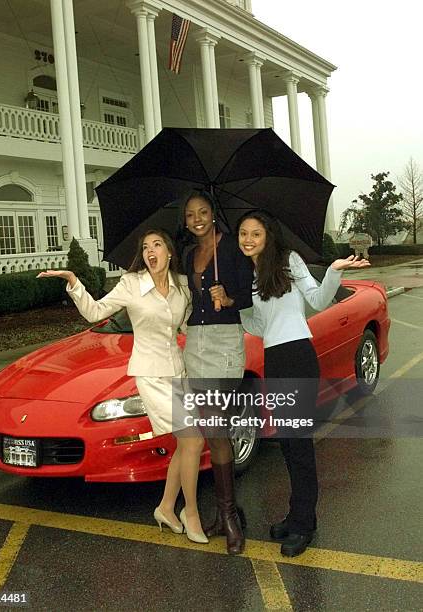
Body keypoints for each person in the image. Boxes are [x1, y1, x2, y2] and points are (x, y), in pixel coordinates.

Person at [37, 229, 208, 544]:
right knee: (193, 442)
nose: (150, 251)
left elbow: (186, 326)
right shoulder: (131, 284)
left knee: (186, 445)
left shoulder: (182, 286)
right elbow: (95, 312)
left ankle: (167, 508)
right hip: (149, 374)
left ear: (169, 252)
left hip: (178, 370)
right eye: (145, 247)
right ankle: (191, 513)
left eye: (157, 244)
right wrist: (74, 281)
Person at [237, 210, 370, 557]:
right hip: (275, 359)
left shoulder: (289, 261)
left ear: (268, 235)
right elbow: (259, 327)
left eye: (255, 233)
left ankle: (305, 525)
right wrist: (234, 306)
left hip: (297, 355)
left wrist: (334, 272)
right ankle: (296, 516)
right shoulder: (249, 275)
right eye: (243, 234)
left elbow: (318, 300)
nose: (248, 239)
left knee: (299, 444)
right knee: (287, 442)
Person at [179, 190, 254, 555]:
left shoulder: (232, 248)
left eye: (203, 212)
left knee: (216, 427)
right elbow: (187, 300)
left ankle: (228, 517)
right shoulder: (188, 254)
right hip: (196, 344)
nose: (197, 218)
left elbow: (249, 296)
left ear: (213, 215)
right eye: (191, 214)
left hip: (225, 344)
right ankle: (227, 510)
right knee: (210, 431)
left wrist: (230, 298)